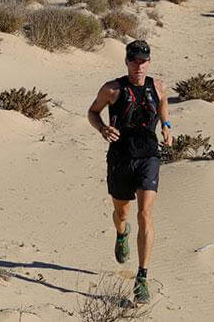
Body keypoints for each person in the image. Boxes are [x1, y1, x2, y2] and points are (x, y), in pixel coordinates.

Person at [87, 39, 172, 304]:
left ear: (149, 62)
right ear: (126, 61)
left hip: (148, 155)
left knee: (145, 214)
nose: (139, 65)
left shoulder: (158, 86)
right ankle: (121, 233)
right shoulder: (112, 89)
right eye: (134, 60)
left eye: (143, 61)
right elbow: (92, 112)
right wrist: (102, 128)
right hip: (120, 158)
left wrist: (166, 125)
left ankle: (142, 277)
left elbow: (163, 105)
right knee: (122, 213)